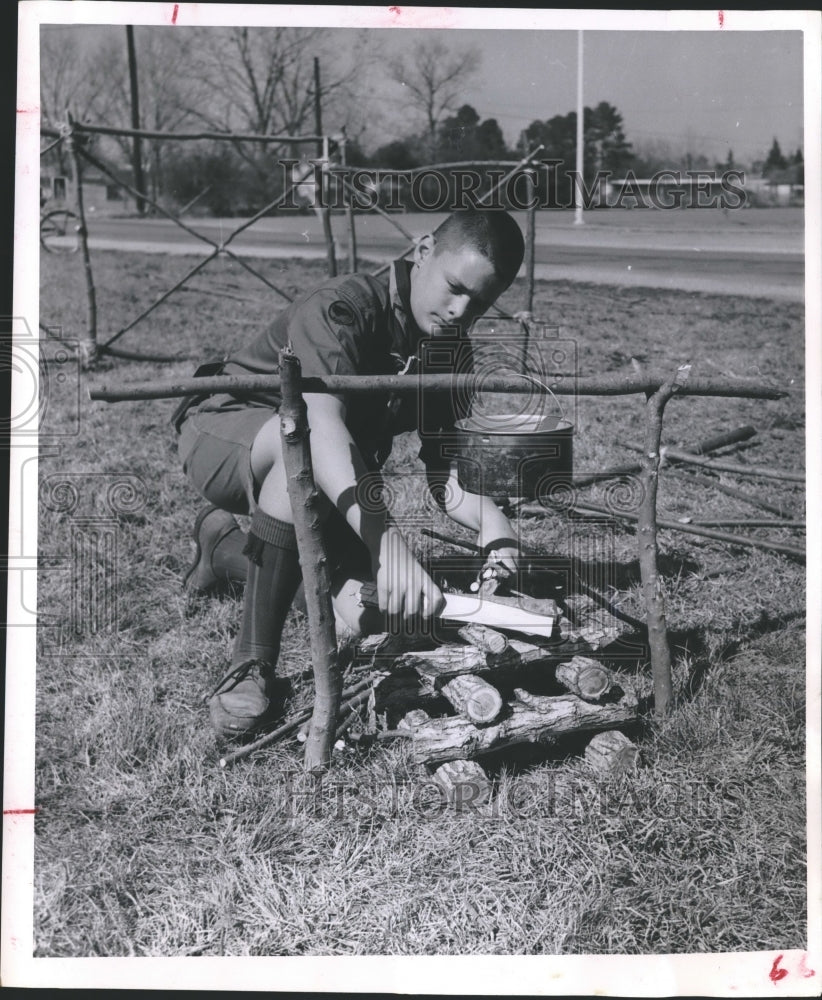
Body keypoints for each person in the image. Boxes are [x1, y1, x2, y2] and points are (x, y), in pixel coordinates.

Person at [174, 208, 525, 739]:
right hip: (228, 431)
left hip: (330, 476)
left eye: (480, 303)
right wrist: (389, 550)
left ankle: (224, 548)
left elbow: (447, 474)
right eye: (455, 288)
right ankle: (252, 664)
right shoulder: (346, 307)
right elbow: (316, 423)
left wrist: (495, 528)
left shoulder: (450, 350)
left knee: (363, 613)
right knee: (304, 452)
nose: (460, 311)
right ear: (423, 249)